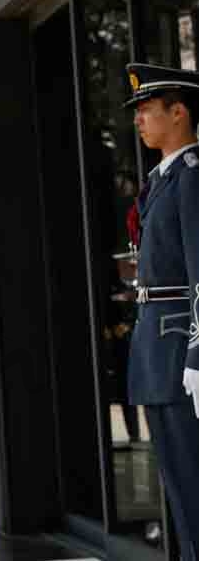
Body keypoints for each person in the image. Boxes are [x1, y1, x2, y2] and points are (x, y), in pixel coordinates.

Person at [123, 62, 199, 560]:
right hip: (158, 344)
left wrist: (198, 353)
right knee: (178, 482)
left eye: (148, 109)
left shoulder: (192, 178)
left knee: (193, 483)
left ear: (180, 112)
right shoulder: (164, 179)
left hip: (178, 347)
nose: (139, 119)